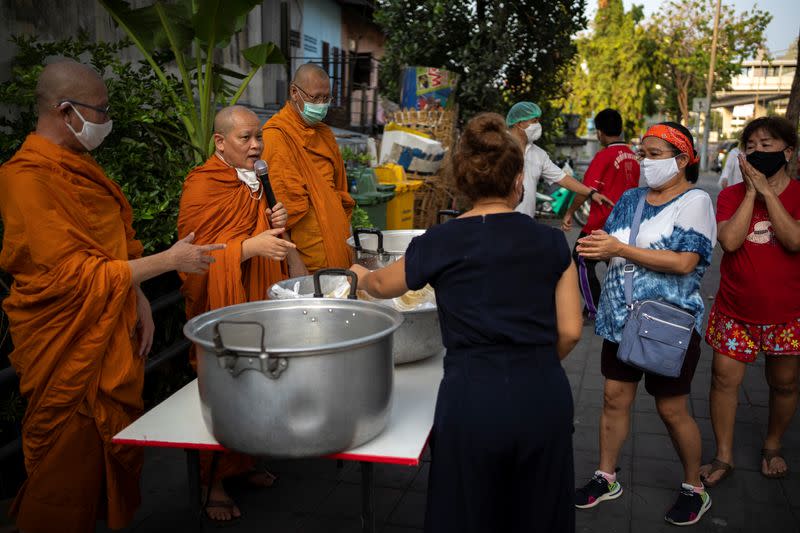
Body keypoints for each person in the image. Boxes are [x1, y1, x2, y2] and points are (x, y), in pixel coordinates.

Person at [0, 60, 223, 533]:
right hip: (67, 345)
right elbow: (69, 277)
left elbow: (112, 249)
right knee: (64, 476)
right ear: (65, 111)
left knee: (103, 458)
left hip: (110, 320)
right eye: (99, 110)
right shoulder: (26, 178)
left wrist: (138, 295)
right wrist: (168, 262)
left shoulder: (79, 165)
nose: (106, 120)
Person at [350, 112, 583, 532]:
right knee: (540, 514)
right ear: (518, 182)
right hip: (542, 396)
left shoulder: (440, 241)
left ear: (463, 186)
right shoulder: (551, 242)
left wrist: (360, 274)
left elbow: (383, 286)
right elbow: (569, 330)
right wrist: (533, 363)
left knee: (466, 513)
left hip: (471, 399)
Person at [575, 122, 716, 526]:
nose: (644, 162)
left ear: (682, 159)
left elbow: (686, 262)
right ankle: (606, 476)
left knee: (672, 410)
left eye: (654, 155)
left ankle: (694, 486)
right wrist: (596, 249)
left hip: (666, 325)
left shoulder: (695, 202)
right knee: (613, 399)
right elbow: (611, 243)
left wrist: (619, 248)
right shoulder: (632, 198)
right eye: (643, 153)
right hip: (621, 320)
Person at [177, 105, 307, 522]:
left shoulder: (256, 183)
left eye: (258, 138)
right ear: (219, 141)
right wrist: (249, 248)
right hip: (221, 308)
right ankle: (211, 480)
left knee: (256, 382)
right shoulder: (201, 186)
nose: (255, 146)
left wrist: (273, 225)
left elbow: (266, 239)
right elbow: (191, 259)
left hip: (257, 303)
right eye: (245, 138)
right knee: (221, 388)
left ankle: (243, 461)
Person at [700, 116, 800, 487]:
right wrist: (750, 194)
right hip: (734, 309)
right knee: (723, 380)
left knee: (785, 384)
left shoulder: (798, 195)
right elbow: (729, 241)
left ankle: (772, 446)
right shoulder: (729, 195)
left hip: (789, 314)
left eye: (767, 145)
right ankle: (723, 455)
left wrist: (769, 194)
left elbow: (793, 240)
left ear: (788, 151)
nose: (757, 152)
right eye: (751, 146)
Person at [262, 63, 355, 273]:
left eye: (326, 98)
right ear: (294, 92)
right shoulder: (276, 136)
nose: (321, 104)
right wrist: (293, 260)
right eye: (315, 98)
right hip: (305, 254)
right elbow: (277, 209)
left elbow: (339, 191)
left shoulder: (325, 134)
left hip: (337, 241)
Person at [562, 109, 639, 316]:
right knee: (615, 264)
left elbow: (585, 190)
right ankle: (620, 305)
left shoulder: (604, 155)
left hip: (600, 221)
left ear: (599, 132)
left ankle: (593, 308)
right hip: (625, 222)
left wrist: (570, 212)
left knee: (580, 260)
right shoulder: (632, 156)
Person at [505, 101, 613, 219]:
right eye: (534, 121)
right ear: (520, 123)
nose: (538, 125)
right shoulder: (496, 147)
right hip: (497, 223)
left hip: (525, 223)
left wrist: (591, 193)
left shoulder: (538, 154)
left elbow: (563, 178)